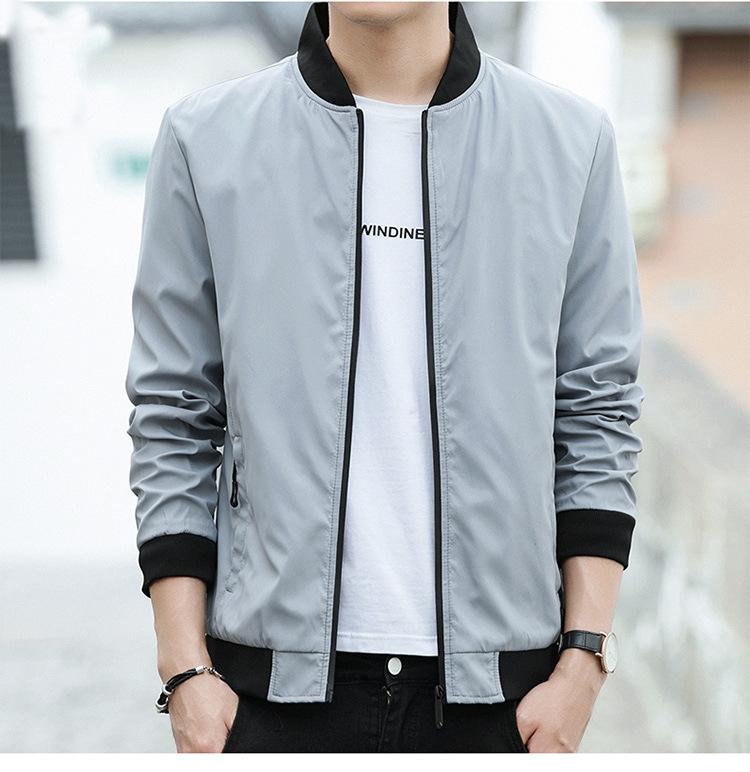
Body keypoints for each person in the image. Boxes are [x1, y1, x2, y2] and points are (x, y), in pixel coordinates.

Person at [126, 1, 644, 753]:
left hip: (504, 699)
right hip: (265, 696)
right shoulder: (206, 139)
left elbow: (598, 411)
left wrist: (583, 663)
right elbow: (174, 413)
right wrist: (184, 669)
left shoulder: (570, 142)